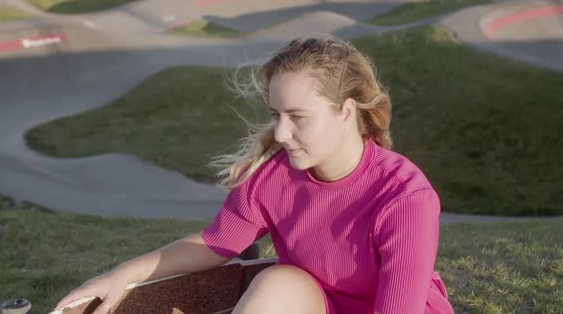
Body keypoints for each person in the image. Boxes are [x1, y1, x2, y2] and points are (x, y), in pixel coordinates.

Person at [53, 36, 453, 314]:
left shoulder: (404, 198)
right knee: (279, 282)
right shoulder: (275, 176)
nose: (281, 133)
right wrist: (120, 275)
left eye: (298, 118)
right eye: (276, 116)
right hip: (319, 305)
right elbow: (215, 244)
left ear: (345, 112)